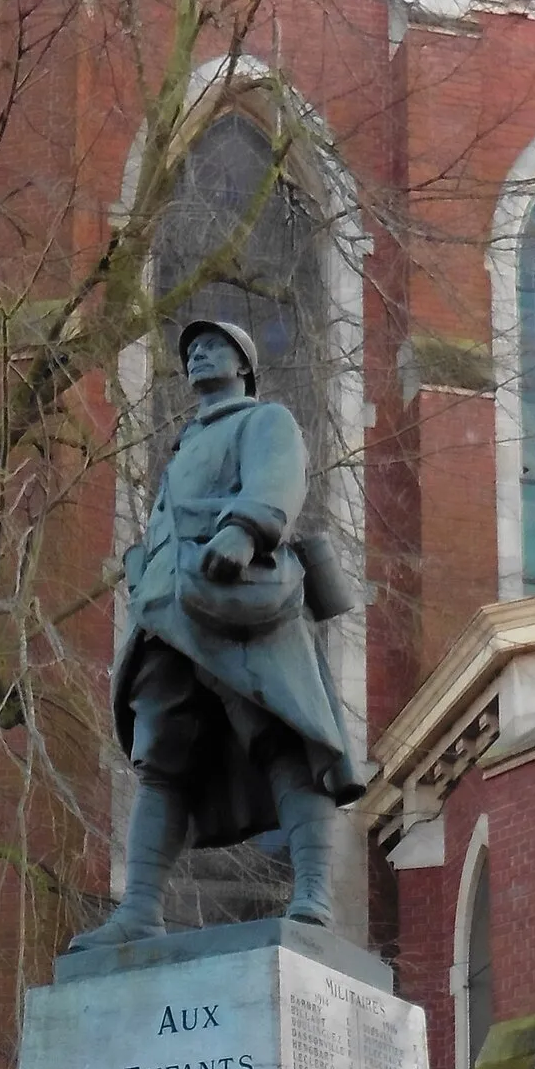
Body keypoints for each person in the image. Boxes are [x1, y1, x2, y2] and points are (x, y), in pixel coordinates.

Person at [69, 317, 360, 952]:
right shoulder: (183, 445)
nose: (199, 355)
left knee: (285, 738)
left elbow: (277, 478)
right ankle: (140, 911)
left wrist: (246, 529)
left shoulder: (264, 420)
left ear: (243, 365)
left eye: (214, 347)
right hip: (170, 617)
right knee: (162, 760)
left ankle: (312, 895)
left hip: (243, 604)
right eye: (192, 350)